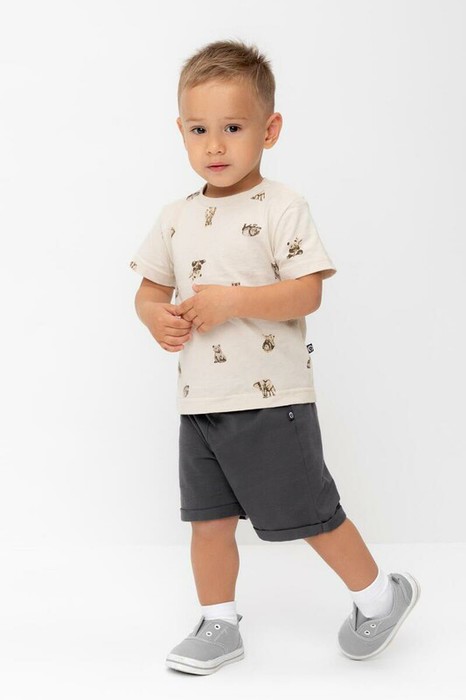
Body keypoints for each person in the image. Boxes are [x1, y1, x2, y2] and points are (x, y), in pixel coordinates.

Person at [129, 39, 420, 675]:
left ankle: (380, 596)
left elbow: (307, 292)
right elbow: (148, 292)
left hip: (272, 400)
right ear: (181, 132)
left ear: (270, 129)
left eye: (233, 128)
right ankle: (219, 622)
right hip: (200, 404)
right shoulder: (175, 218)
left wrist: (232, 302)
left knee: (310, 513)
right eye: (199, 130)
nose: (215, 145)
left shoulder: (281, 206)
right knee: (207, 522)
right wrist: (155, 318)